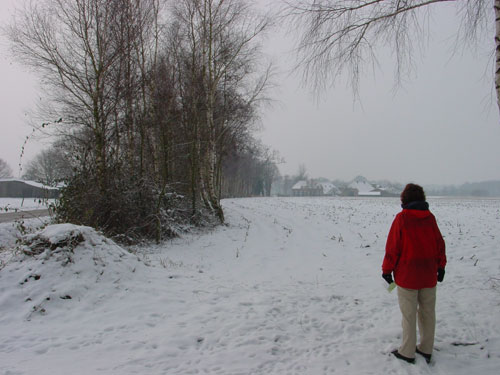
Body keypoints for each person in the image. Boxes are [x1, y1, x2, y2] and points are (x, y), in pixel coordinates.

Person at [381, 183, 446, 364]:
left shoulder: (401, 219)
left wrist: (386, 271)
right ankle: (426, 349)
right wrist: (441, 266)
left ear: (404, 199)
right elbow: (440, 244)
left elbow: (392, 248)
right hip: (428, 275)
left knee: (408, 316)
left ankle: (407, 352)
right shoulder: (430, 218)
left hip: (407, 277)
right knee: (428, 314)